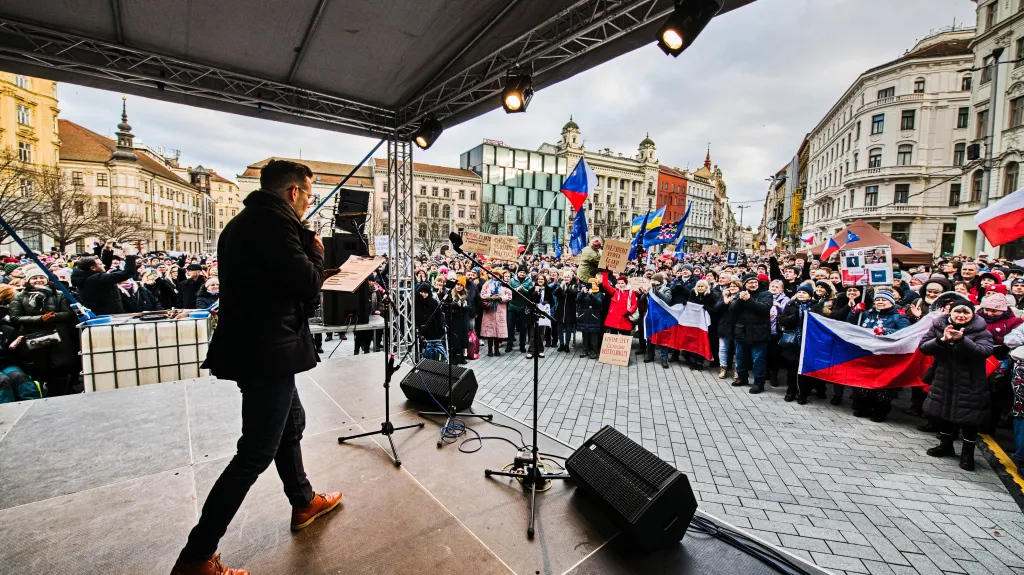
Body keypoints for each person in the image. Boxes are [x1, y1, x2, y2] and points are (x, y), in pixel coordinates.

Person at [173, 160, 340, 575]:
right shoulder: (273, 224)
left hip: (261, 347)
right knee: (254, 453)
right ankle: (197, 556)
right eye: (308, 194)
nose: (308, 202)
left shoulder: (246, 222)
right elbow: (303, 282)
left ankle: (303, 502)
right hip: (267, 351)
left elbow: (277, 281)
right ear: (292, 193)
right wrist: (317, 249)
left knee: (291, 424)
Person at [921, 301, 994, 471]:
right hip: (944, 378)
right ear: (950, 313)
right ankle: (946, 445)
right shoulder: (938, 327)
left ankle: (967, 454)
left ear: (973, 314)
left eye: (965, 312)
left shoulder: (982, 331)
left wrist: (962, 340)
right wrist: (942, 340)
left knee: (969, 418)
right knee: (944, 412)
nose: (961, 315)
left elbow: (985, 351)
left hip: (971, 382)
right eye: (957, 312)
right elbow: (924, 347)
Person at [9, 265, 80, 397]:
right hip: (34, 338)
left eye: (41, 277)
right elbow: (16, 317)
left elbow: (67, 313)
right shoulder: (19, 297)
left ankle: (60, 394)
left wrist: (54, 316)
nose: (38, 280)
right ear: (28, 280)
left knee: (59, 369)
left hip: (59, 338)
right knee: (40, 368)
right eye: (34, 278)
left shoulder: (59, 295)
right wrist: (40, 319)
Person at [846, 290, 910, 422]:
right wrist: (854, 312)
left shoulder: (899, 317)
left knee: (883, 387)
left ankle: (880, 411)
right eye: (878, 300)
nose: (880, 302)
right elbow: (850, 326)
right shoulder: (866, 314)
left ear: (892, 302)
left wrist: (886, 331)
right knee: (863, 384)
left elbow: (905, 332)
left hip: (886, 357)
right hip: (867, 354)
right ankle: (864, 407)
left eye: (884, 300)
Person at [731, 273, 773, 393]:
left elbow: (764, 308)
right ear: (745, 285)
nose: (753, 284)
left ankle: (759, 383)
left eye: (755, 282)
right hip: (742, 331)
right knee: (741, 357)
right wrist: (740, 300)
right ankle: (742, 378)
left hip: (759, 332)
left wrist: (749, 300)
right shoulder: (740, 295)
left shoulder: (766, 294)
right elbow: (732, 310)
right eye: (750, 283)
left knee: (758, 358)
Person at [71, 245, 140, 315]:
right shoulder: (97, 279)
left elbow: (103, 266)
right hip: (109, 315)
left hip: (101, 313)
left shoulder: (85, 276)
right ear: (92, 268)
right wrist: (129, 255)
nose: (103, 265)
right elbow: (128, 273)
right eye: (101, 264)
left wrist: (107, 249)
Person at [778, 284, 814, 403]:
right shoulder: (790, 305)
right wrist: (795, 316)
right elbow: (782, 320)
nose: (801, 295)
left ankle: (803, 394)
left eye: (804, 293)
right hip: (792, 342)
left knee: (804, 371)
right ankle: (791, 391)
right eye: (799, 292)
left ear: (809, 295)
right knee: (792, 370)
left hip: (808, 342)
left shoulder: (815, 306)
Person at [479, 271, 511, 357]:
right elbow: (482, 294)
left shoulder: (504, 284)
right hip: (489, 309)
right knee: (490, 330)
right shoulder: (487, 283)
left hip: (500, 309)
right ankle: (490, 350)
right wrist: (490, 296)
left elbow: (509, 296)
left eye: (497, 274)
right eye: (494, 274)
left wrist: (500, 297)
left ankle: (497, 350)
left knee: (498, 330)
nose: (495, 276)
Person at [714, 280, 741, 379]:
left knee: (737, 349)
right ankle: (723, 368)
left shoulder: (741, 297)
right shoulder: (725, 295)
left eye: (735, 286)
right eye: (731, 286)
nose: (732, 288)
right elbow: (716, 308)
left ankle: (737, 369)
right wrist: (725, 299)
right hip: (724, 325)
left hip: (737, 326)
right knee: (723, 348)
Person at [600, 271, 638, 336]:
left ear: (626, 283)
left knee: (625, 338)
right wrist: (605, 273)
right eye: (619, 283)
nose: (620, 284)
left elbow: (634, 304)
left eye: (622, 283)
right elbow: (605, 285)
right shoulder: (614, 291)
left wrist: (629, 311)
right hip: (614, 318)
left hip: (625, 318)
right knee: (613, 337)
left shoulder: (631, 292)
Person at [507, 269, 533, 353]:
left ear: (526, 274)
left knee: (523, 328)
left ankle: (522, 346)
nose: (522, 274)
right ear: (517, 273)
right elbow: (508, 292)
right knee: (510, 327)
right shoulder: (511, 281)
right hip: (512, 307)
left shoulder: (529, 281)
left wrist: (523, 289)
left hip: (523, 308)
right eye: (520, 272)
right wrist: (517, 289)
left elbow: (531, 293)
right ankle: (509, 345)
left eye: (524, 272)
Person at [577, 278, 604, 358]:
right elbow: (577, 300)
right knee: (585, 333)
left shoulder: (599, 293)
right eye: (590, 283)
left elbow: (599, 303)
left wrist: (592, 294)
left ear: (597, 285)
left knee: (593, 334)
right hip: (584, 315)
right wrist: (583, 293)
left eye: (594, 283)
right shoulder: (583, 292)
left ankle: (594, 351)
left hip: (594, 315)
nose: (592, 285)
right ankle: (585, 350)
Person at [553, 270, 579, 352]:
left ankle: (567, 344)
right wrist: (561, 287)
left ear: (571, 278)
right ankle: (561, 344)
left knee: (568, 329)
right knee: (559, 329)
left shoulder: (574, 285)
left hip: (570, 310)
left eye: (568, 277)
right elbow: (555, 293)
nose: (566, 278)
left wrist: (566, 288)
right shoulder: (561, 285)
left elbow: (574, 293)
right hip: (560, 310)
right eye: (565, 277)